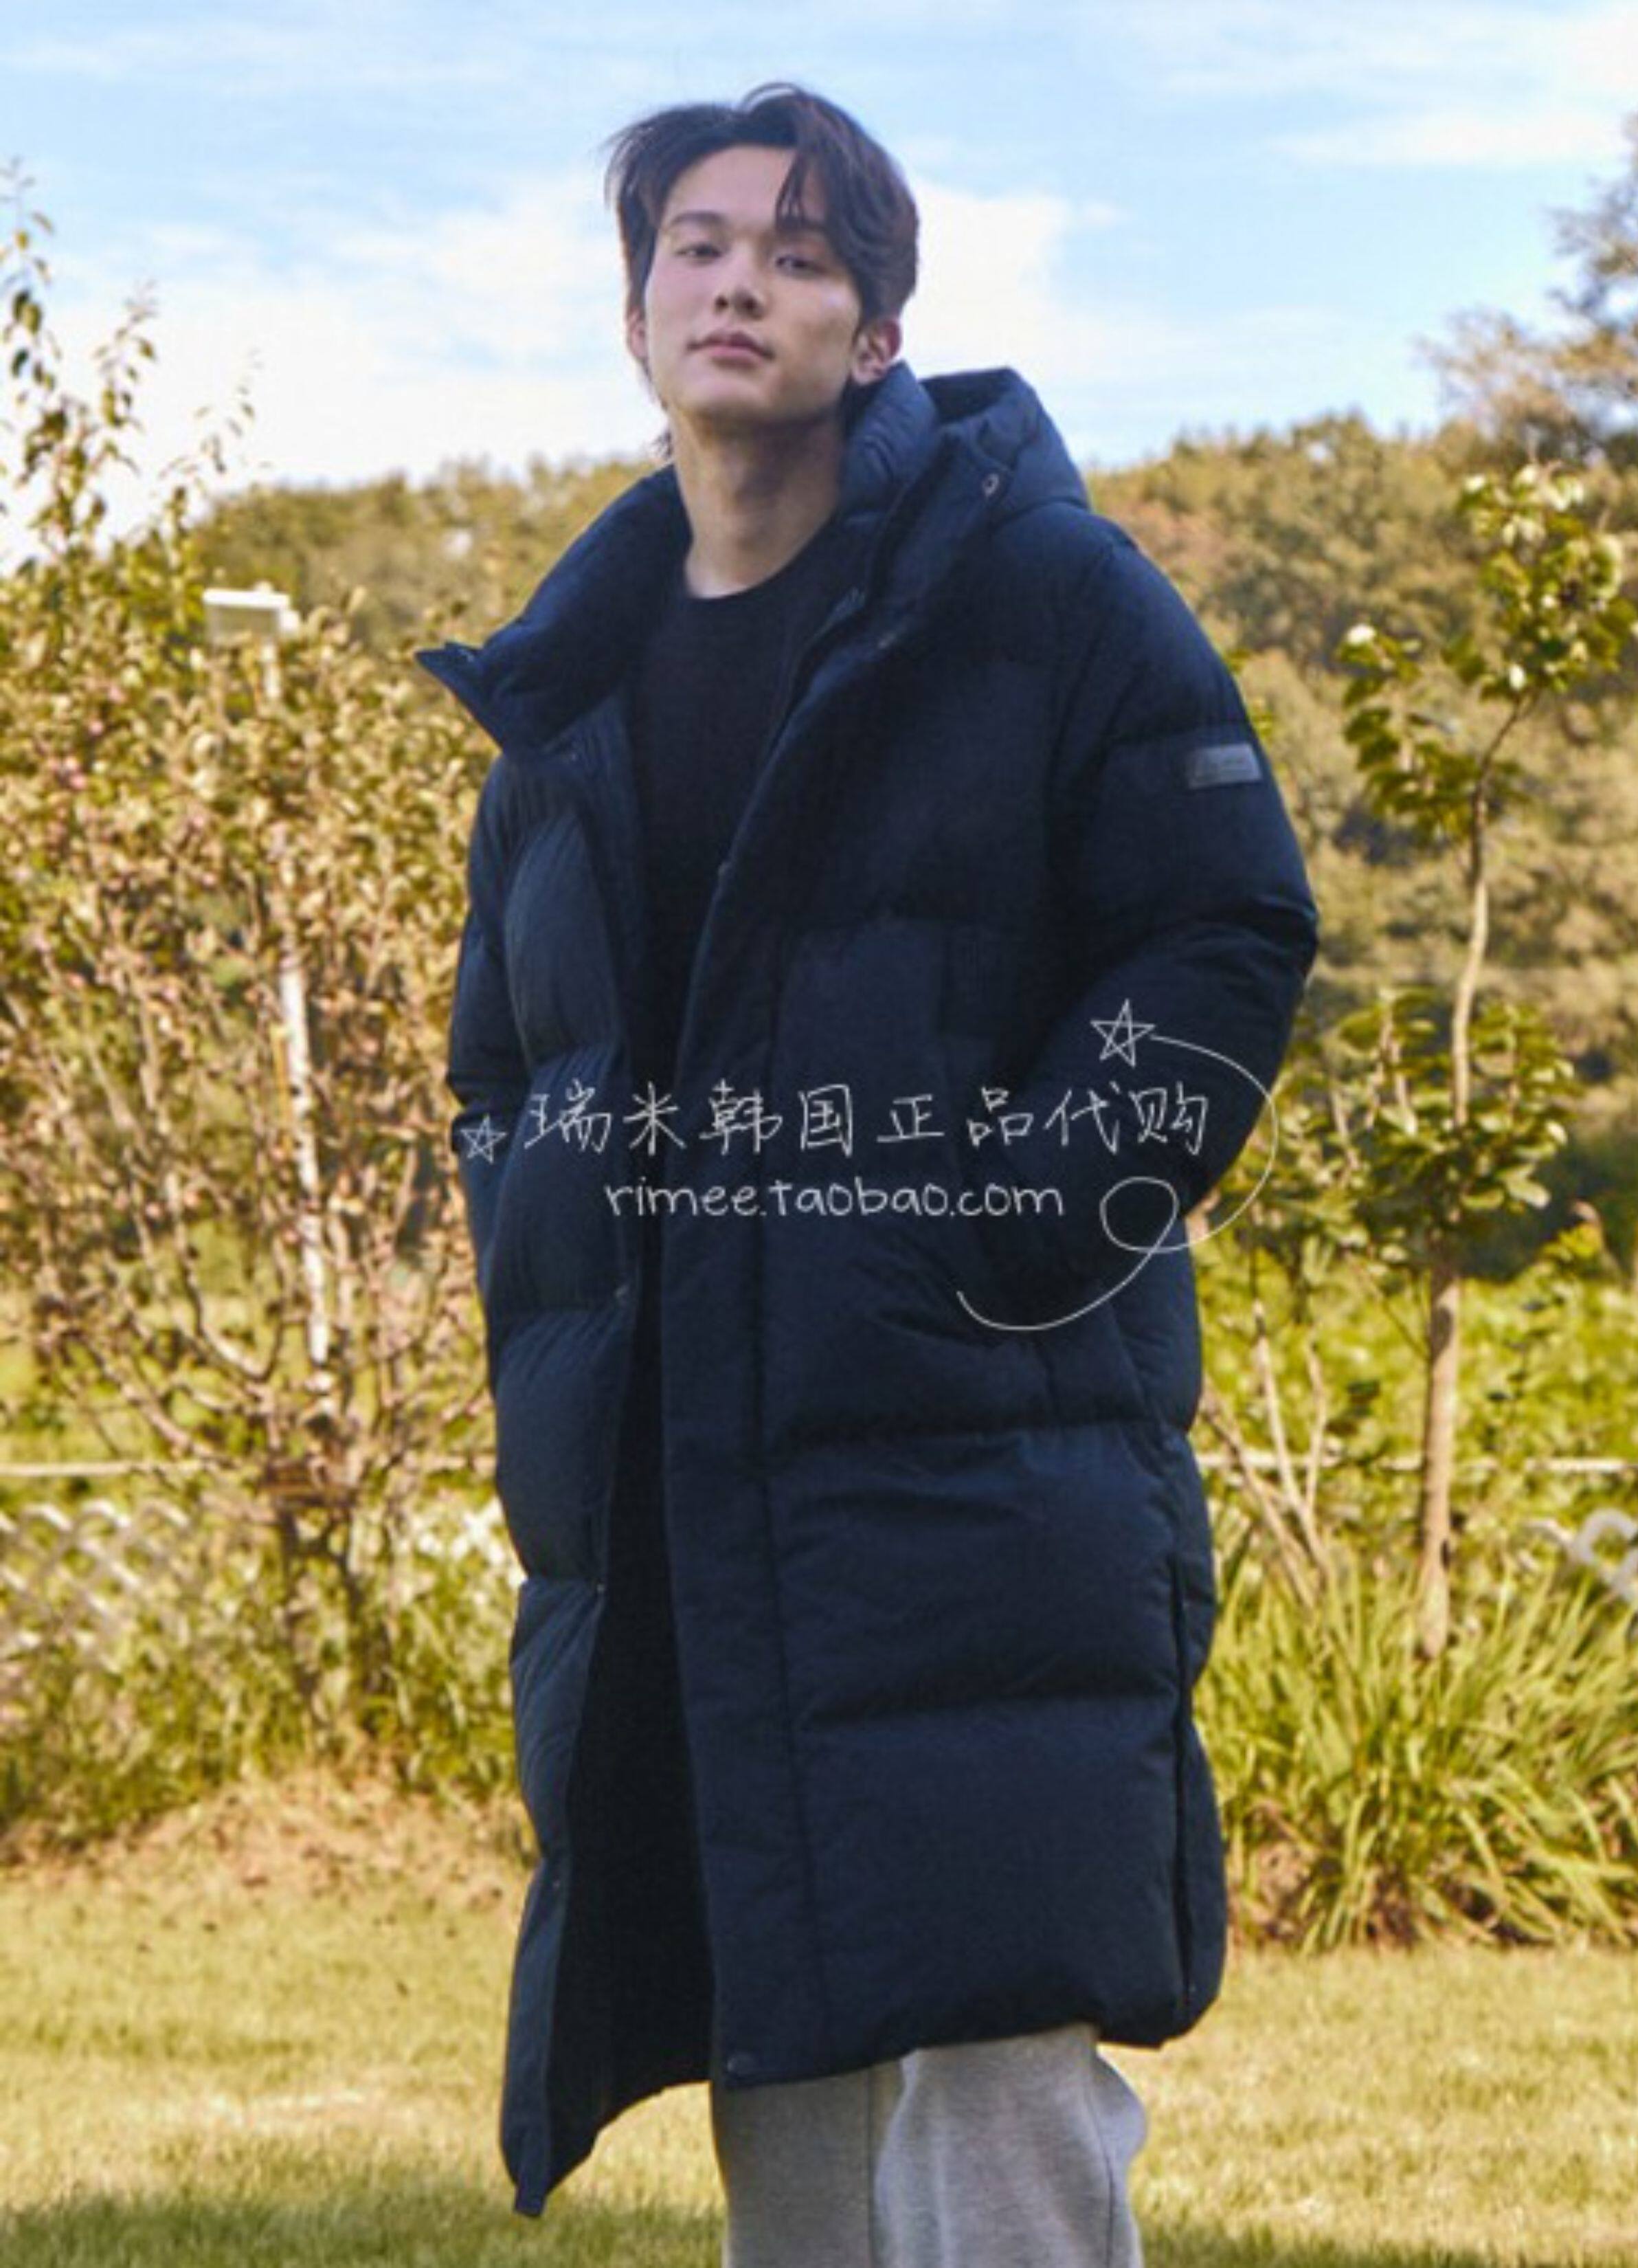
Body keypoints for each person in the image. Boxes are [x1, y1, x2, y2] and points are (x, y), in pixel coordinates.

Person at [419, 81, 1318, 2266]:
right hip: (688, 1498)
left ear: (880, 331)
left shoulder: (1043, 596)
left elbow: (1223, 926)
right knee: (787, 2087)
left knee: (995, 2063)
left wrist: (1011, 1236)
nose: (743, 282)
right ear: (637, 315)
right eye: (701, 244)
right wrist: (565, 1291)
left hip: (975, 1469)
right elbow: (505, 1072)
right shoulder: (570, 703)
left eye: (803, 252)